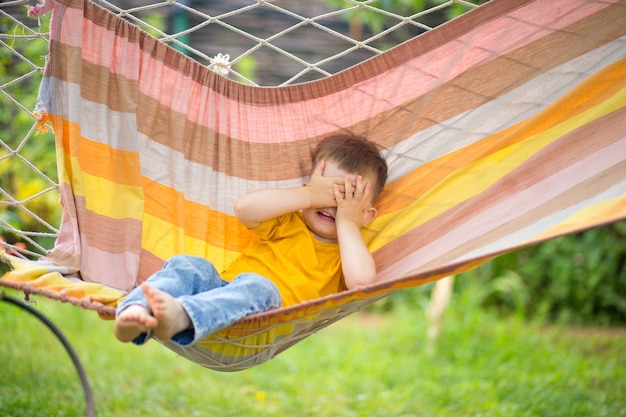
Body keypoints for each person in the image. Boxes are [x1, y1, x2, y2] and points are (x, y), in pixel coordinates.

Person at [114, 134, 388, 347]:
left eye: (345, 198)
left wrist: (349, 223)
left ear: (366, 215)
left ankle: (182, 316)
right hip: (223, 289)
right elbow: (245, 209)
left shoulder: (349, 251)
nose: (331, 204)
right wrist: (309, 196)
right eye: (327, 192)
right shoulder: (286, 220)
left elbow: (362, 283)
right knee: (190, 266)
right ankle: (135, 310)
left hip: (267, 314)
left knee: (259, 286)